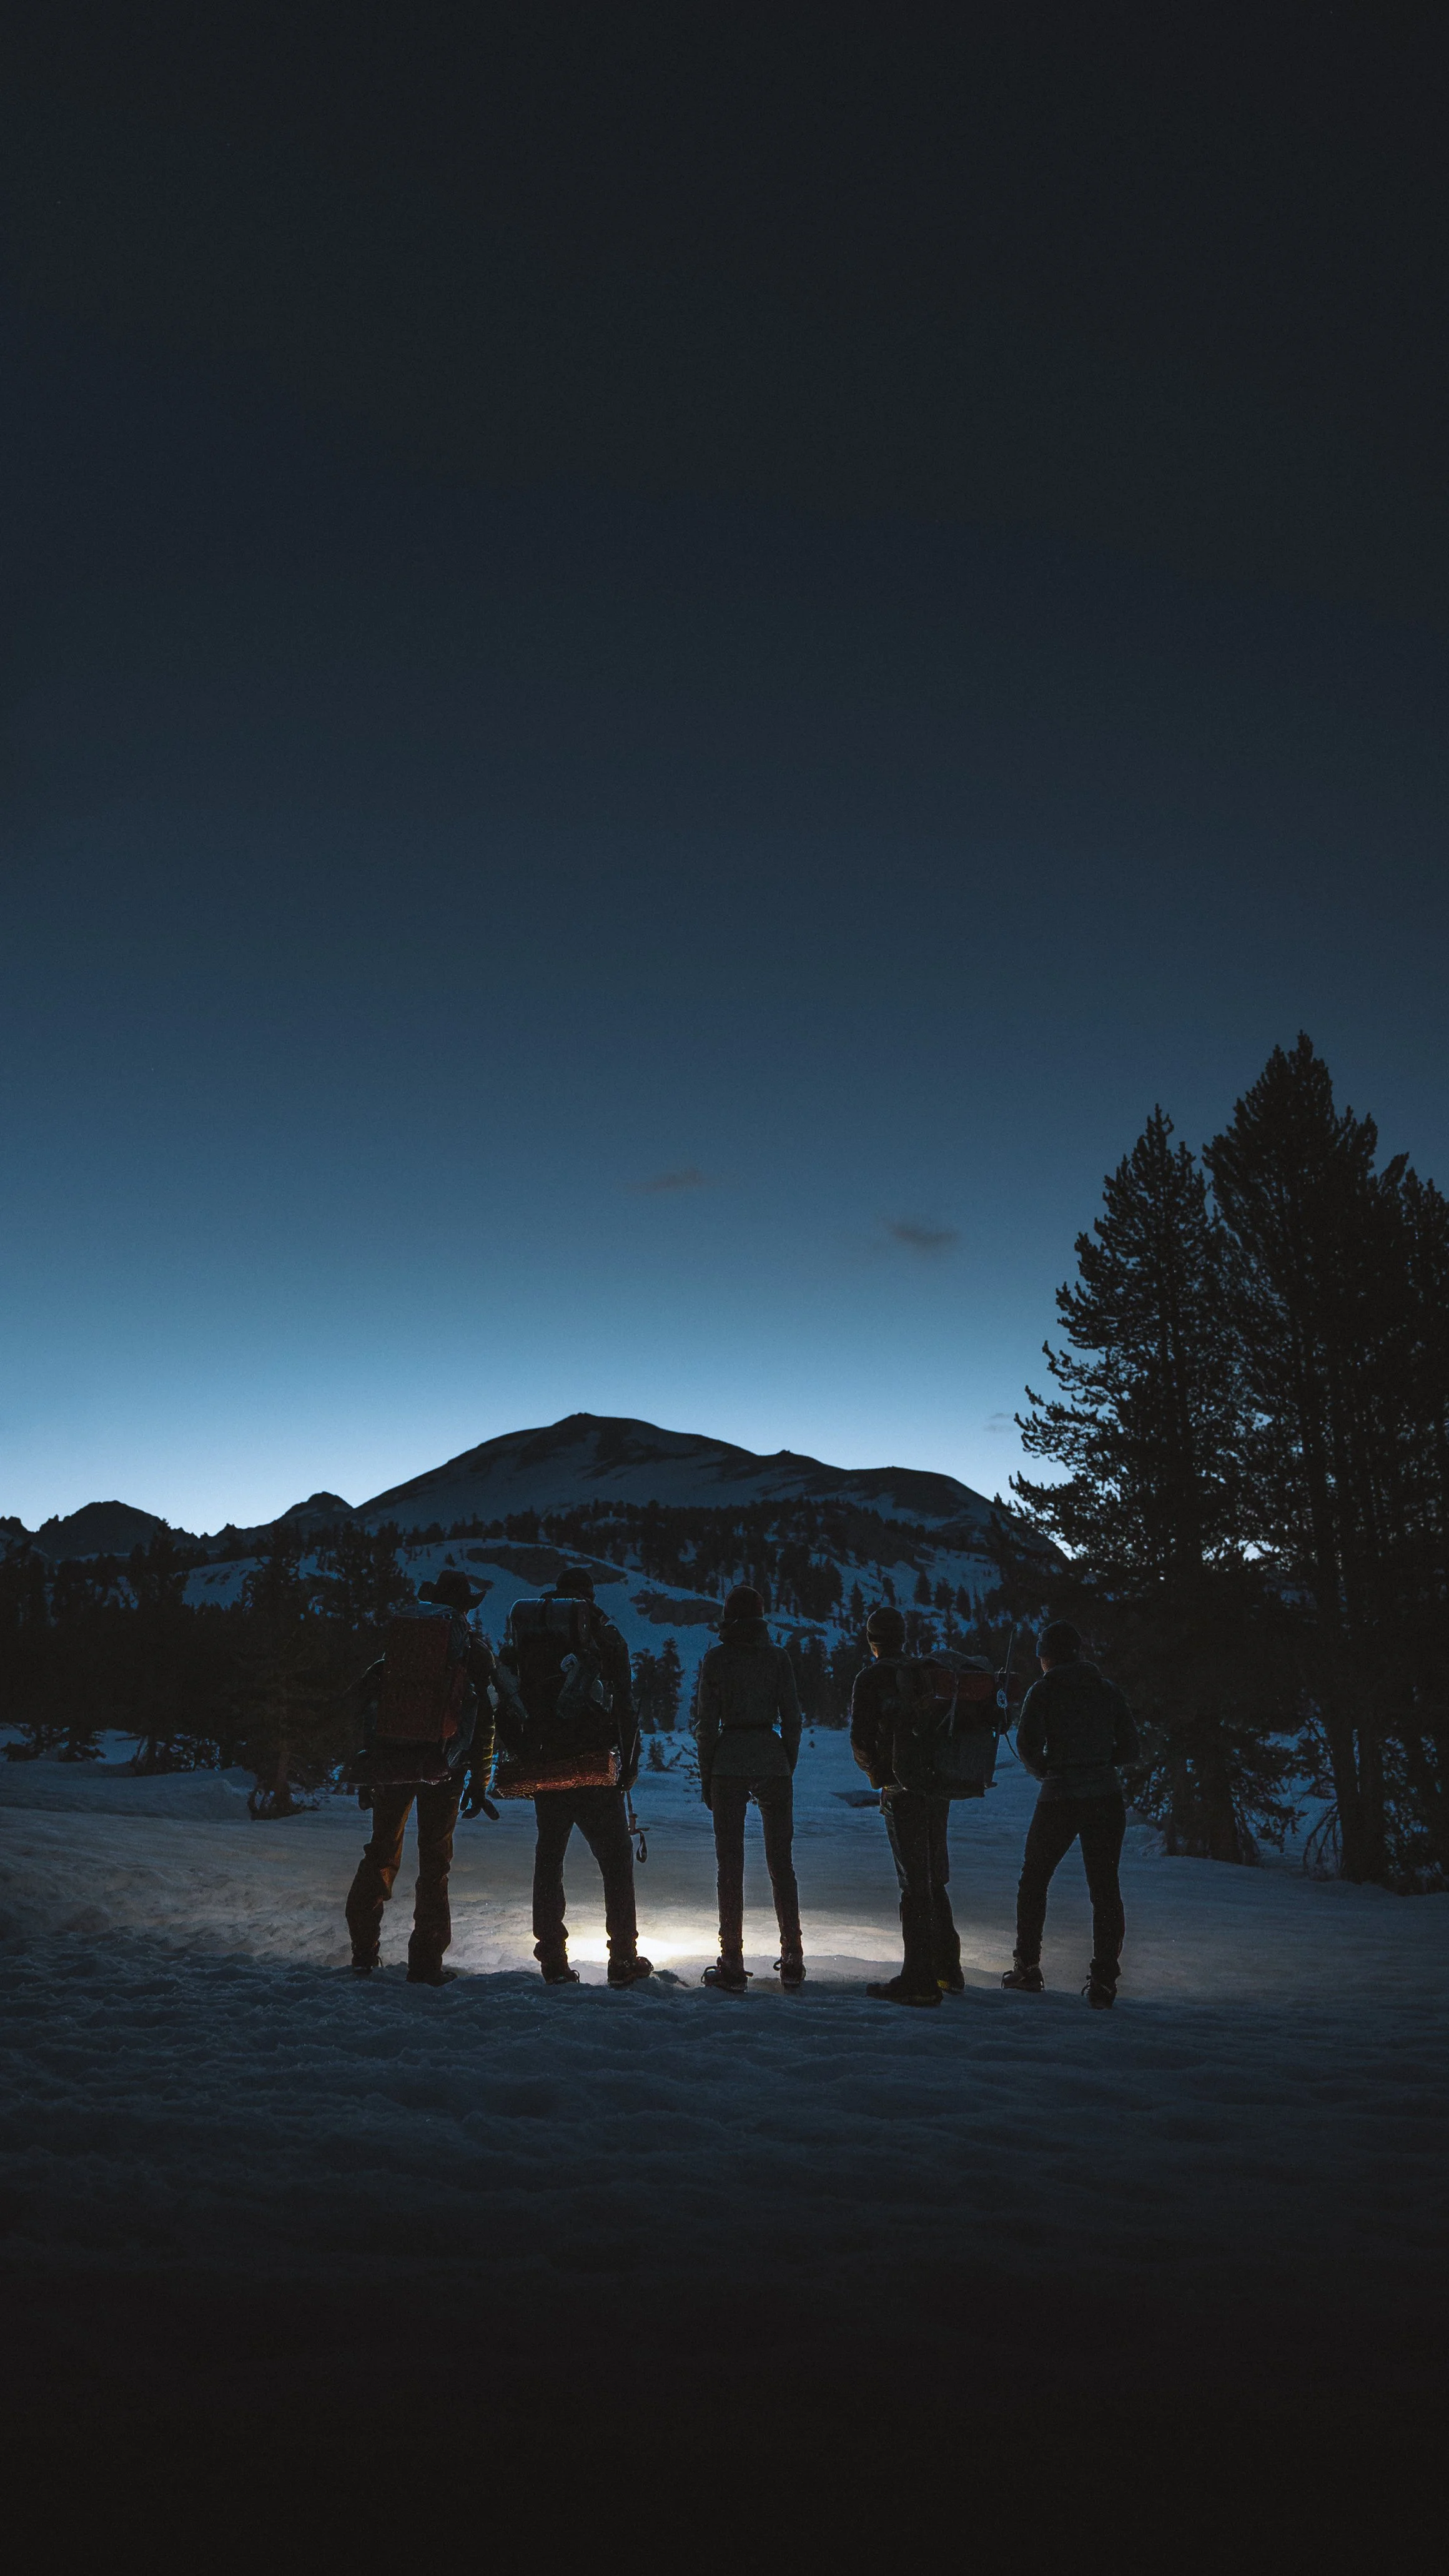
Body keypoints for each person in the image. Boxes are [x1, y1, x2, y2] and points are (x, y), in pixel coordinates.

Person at [345, 1569, 498, 1986]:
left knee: (380, 1853)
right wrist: (480, 1779)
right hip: (443, 1767)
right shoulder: (472, 1649)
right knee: (435, 1863)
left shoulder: (403, 1644)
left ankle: (363, 1952)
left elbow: (365, 1697)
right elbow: (484, 1720)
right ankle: (425, 1964)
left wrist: (371, 1761)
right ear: (465, 1606)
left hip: (392, 1761)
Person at [511, 1564, 653, 1989]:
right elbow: (624, 1704)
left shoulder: (533, 1635)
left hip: (546, 1762)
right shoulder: (603, 1634)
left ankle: (552, 1958)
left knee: (549, 1857)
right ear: (588, 1597)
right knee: (615, 1858)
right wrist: (628, 1765)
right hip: (593, 1763)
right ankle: (622, 1957)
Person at [1001, 1619, 1140, 2008]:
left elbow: (1027, 1745)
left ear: (1047, 1655)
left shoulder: (1043, 1691)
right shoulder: (1107, 1690)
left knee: (1034, 1881)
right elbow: (1130, 1748)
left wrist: (1049, 1768)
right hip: (1106, 1799)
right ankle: (1103, 1981)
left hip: (1059, 1799)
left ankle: (1027, 1968)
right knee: (1105, 1890)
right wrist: (1099, 1762)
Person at [693, 1584, 804, 1991]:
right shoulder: (778, 1658)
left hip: (729, 1761)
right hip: (771, 1759)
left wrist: (708, 1775)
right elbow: (793, 1718)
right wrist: (785, 1761)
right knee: (781, 1861)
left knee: (730, 1863)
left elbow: (706, 1725)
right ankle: (793, 1955)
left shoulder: (717, 1659)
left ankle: (733, 1959)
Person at [849, 1604, 957, 2007]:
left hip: (903, 1788)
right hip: (936, 1786)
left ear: (873, 1642)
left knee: (914, 1881)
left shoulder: (871, 1678)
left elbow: (860, 1739)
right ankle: (949, 1967)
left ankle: (919, 1978)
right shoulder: (924, 1671)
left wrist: (881, 1775)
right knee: (934, 1874)